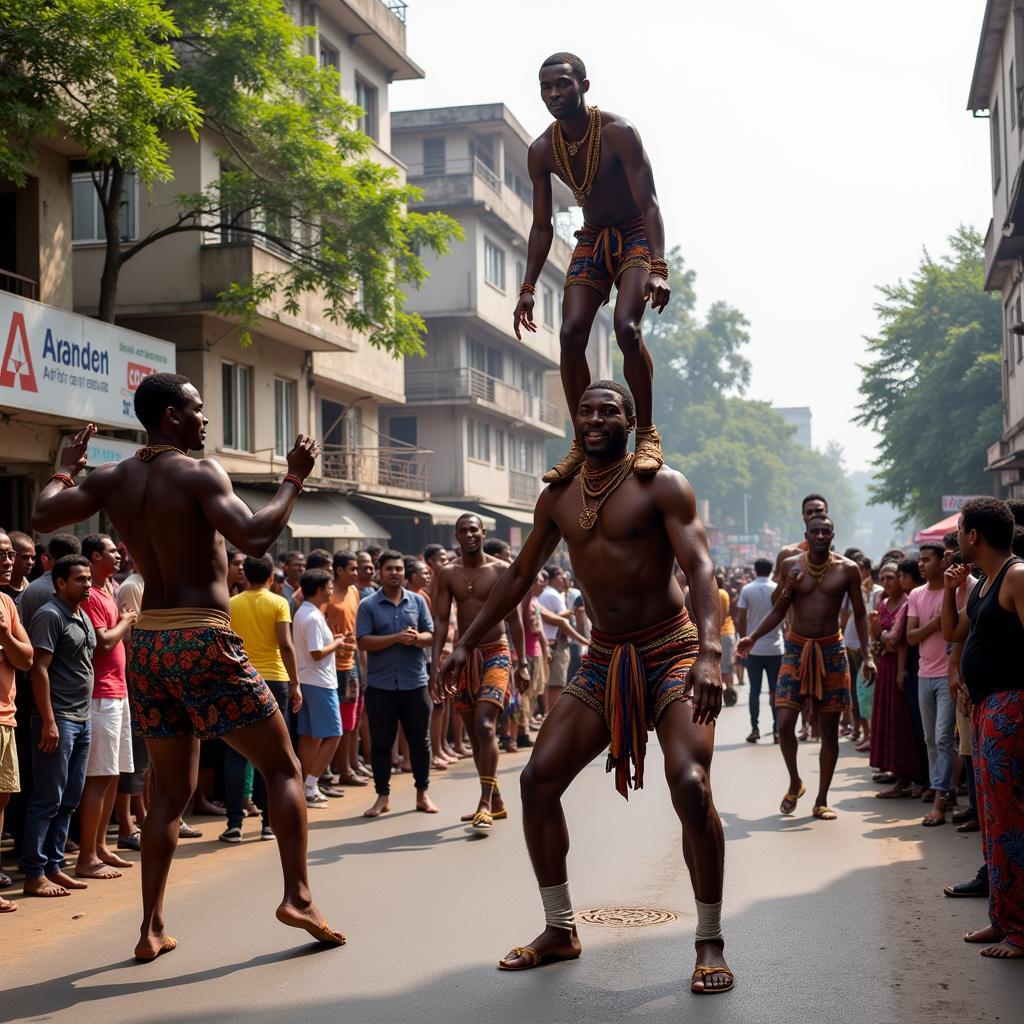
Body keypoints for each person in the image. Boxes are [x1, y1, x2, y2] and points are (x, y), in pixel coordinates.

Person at [30, 373, 343, 959]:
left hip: (148, 645)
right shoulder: (199, 473)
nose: (205, 420)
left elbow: (45, 514)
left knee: (170, 791)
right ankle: (297, 895)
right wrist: (295, 477)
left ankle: (150, 926)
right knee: (284, 770)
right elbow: (254, 536)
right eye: (197, 410)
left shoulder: (113, 478)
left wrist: (65, 464)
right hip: (202, 637)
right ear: (171, 416)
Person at [439, 381, 731, 995]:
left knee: (691, 783)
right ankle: (560, 928)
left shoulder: (662, 484)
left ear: (630, 420)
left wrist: (710, 652)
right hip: (602, 658)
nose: (595, 418)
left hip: (672, 650)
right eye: (586, 410)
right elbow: (520, 573)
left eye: (608, 411)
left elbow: (699, 566)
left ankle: (708, 937)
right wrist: (466, 641)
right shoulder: (557, 495)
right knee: (537, 780)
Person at [514, 54, 670, 481]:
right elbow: (542, 226)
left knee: (627, 329)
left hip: (636, 234)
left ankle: (647, 436)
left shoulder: (620, 133)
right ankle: (581, 446)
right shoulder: (542, 150)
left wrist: (658, 267)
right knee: (570, 332)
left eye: (562, 84)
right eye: (546, 87)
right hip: (593, 239)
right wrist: (527, 286)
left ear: (584, 86)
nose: (554, 94)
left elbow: (650, 204)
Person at [737, 515, 874, 821]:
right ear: (807, 535)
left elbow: (860, 614)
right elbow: (778, 608)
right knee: (785, 721)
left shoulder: (847, 569)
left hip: (831, 650)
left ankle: (821, 799)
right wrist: (753, 636)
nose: (821, 535)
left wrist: (869, 655)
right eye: (816, 531)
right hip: (796, 648)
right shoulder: (791, 566)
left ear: (832, 535)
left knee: (828, 730)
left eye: (826, 531)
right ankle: (795, 781)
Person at [940, 497, 1024, 959]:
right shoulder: (984, 583)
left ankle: (1020, 928)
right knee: (993, 819)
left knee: (1011, 817)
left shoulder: (1016, 575)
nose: (956, 540)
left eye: (960, 531)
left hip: (1012, 709)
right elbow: (953, 633)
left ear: (975, 536)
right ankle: (1003, 918)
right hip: (988, 708)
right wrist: (954, 592)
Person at [432, 516, 529, 829]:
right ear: (456, 535)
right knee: (475, 733)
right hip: (463, 658)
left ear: (484, 533)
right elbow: (441, 621)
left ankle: (484, 803)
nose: (470, 534)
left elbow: (514, 620)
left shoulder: (500, 570)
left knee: (487, 724)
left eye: (474, 529)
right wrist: (437, 661)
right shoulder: (447, 573)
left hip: (496, 653)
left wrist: (522, 662)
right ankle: (496, 799)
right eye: (463, 530)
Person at [22, 555, 96, 898]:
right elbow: (39, 669)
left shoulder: (81, 614)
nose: (87, 583)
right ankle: (34, 871)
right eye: (80, 579)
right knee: (48, 798)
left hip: (82, 719)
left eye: (89, 578)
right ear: (60, 582)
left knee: (70, 798)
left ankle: (54, 866)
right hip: (59, 720)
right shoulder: (50, 614)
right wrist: (49, 721)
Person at [225, 555, 302, 842]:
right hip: (274, 679)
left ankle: (234, 824)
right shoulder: (279, 602)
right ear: (271, 576)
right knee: (272, 752)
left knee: (235, 754)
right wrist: (296, 683)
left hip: (240, 679)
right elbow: (285, 643)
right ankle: (269, 824)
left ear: (246, 576)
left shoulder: (232, 603)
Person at [76, 534, 138, 879]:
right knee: (99, 776)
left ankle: (100, 846)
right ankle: (87, 855)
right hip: (100, 693)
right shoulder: (92, 595)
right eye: (114, 551)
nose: (119, 555)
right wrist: (127, 620)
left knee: (113, 772)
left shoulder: (108, 588)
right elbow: (103, 641)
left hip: (117, 690)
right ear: (96, 555)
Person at [357, 552, 437, 818]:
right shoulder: (368, 604)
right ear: (380, 572)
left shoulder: (418, 601)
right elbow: (364, 642)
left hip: (415, 682)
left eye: (399, 569)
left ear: (405, 572)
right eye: (390, 568)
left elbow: (431, 635)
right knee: (381, 744)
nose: (395, 573)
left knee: (420, 742)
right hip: (381, 686)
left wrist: (417, 639)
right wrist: (395, 638)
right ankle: (382, 797)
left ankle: (422, 794)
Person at [906, 542, 955, 827]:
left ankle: (939, 798)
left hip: (948, 672)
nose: (921, 565)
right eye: (920, 560)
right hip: (925, 673)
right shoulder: (916, 594)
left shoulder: (957, 589)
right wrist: (936, 624)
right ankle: (942, 789)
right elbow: (911, 637)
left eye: (926, 560)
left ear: (940, 562)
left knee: (943, 738)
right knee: (930, 739)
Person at [293, 569, 347, 808]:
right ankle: (311, 784)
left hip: (308, 679)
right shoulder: (313, 616)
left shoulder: (305, 612)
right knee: (334, 733)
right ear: (319, 589)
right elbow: (316, 653)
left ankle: (307, 783)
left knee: (309, 735)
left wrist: (332, 642)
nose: (331, 591)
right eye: (329, 587)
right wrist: (337, 643)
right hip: (319, 681)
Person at [0, 530, 33, 912]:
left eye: (10, 554)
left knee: (2, 801)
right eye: (1, 554)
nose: (8, 560)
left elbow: (25, 658)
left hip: (6, 717)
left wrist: (6, 636)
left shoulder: (8, 602)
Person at [868, 563, 919, 797]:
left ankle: (904, 778)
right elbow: (879, 641)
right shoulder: (882, 604)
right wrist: (875, 630)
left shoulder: (909, 603)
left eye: (891, 577)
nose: (886, 582)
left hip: (900, 667)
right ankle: (893, 771)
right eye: (883, 578)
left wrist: (899, 670)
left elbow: (899, 643)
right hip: (884, 666)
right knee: (885, 717)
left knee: (900, 721)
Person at [324, 552, 365, 787]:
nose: (356, 573)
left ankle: (347, 768)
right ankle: (328, 770)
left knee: (350, 721)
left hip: (351, 663)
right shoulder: (327, 594)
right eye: (352, 569)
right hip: (329, 664)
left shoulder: (354, 592)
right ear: (339, 571)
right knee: (332, 722)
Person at [735, 558, 783, 743]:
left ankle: (754, 728)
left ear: (755, 570)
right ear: (771, 570)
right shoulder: (777, 589)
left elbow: (741, 618)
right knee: (775, 691)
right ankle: (776, 728)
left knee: (754, 690)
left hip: (754, 649)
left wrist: (743, 639)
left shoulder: (747, 589)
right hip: (775, 648)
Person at [771, 494, 829, 583]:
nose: (814, 515)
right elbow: (774, 592)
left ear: (826, 515)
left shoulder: (842, 563)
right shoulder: (788, 554)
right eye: (809, 512)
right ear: (804, 518)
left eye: (818, 511)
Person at [1, 531, 36, 601]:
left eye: (33, 558)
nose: (30, 562)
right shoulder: (3, 594)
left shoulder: (33, 591)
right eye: (25, 557)